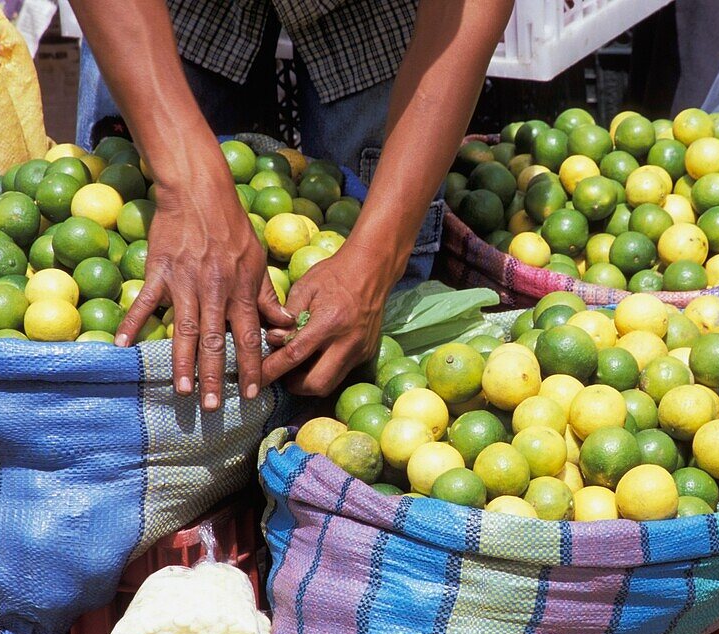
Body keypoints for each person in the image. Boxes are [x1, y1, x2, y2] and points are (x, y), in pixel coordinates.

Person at [68, 0, 514, 410]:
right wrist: (186, 184)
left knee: (350, 348)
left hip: (373, 13)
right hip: (173, 11)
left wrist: (377, 258)